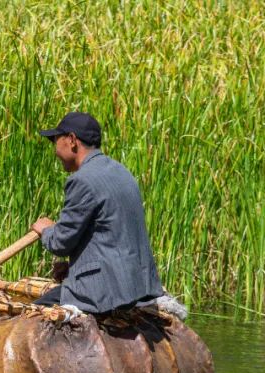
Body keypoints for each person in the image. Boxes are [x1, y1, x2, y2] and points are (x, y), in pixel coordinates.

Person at [31, 111, 171, 316]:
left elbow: (61, 243)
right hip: (138, 286)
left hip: (106, 293)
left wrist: (46, 231)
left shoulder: (82, 180)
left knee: (31, 315)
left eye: (55, 140)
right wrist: (74, 268)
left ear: (71, 140)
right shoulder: (121, 171)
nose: (54, 149)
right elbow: (110, 238)